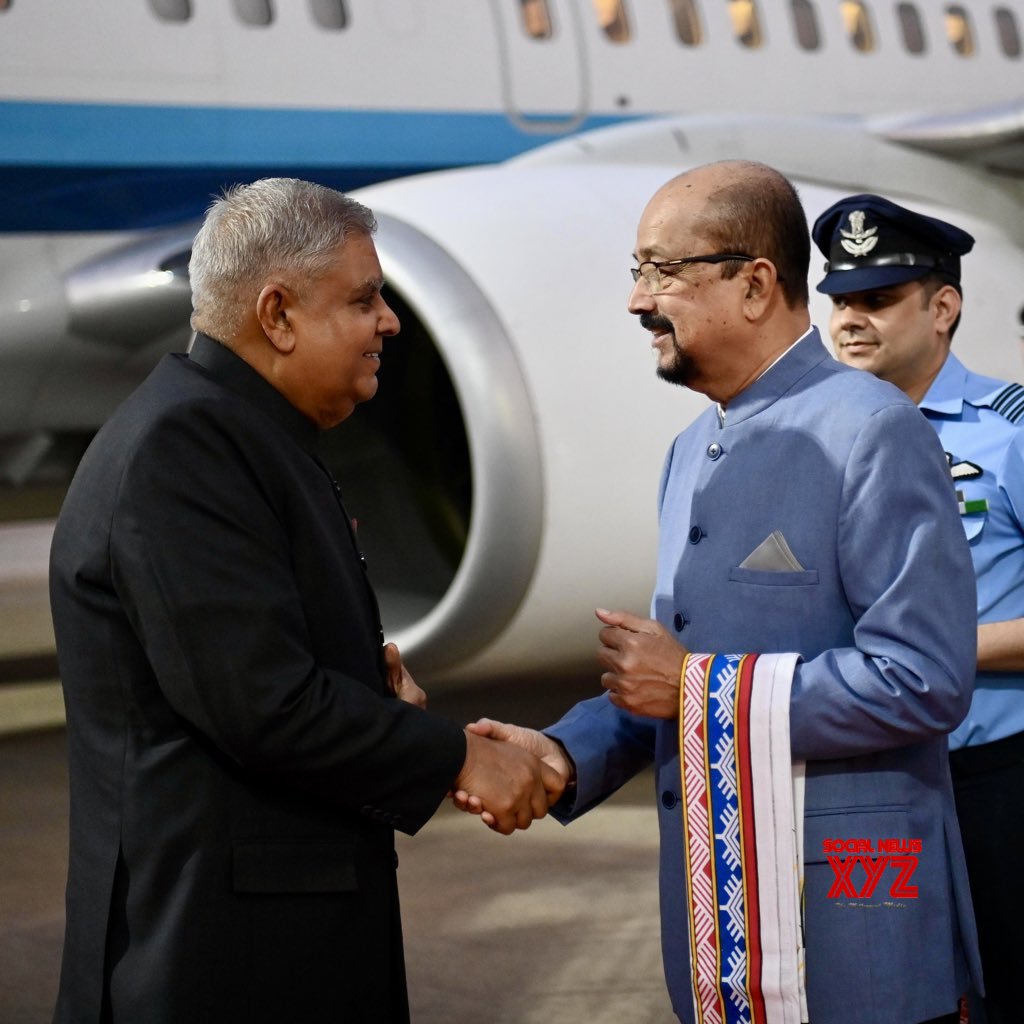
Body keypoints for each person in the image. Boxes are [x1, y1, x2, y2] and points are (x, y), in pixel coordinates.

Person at [456, 161, 981, 1024]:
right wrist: (561, 754)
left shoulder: (873, 430)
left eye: (663, 271)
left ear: (754, 283)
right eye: (637, 272)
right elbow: (674, 675)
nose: (638, 301)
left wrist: (696, 687)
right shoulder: (691, 450)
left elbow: (924, 678)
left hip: (850, 925)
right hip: (722, 932)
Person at [48, 177, 562, 1024]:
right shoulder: (188, 445)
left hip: (258, 942)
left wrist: (365, 687)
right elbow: (262, 703)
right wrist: (457, 758)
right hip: (214, 961)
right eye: (364, 300)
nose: (389, 322)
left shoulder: (242, 432)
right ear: (277, 314)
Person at [814, 193, 1024, 1024]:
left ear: (944, 308)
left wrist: (931, 656)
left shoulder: (1006, 432)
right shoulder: (817, 438)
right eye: (840, 300)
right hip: (876, 780)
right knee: (893, 998)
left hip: (996, 778)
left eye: (877, 300)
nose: (850, 320)